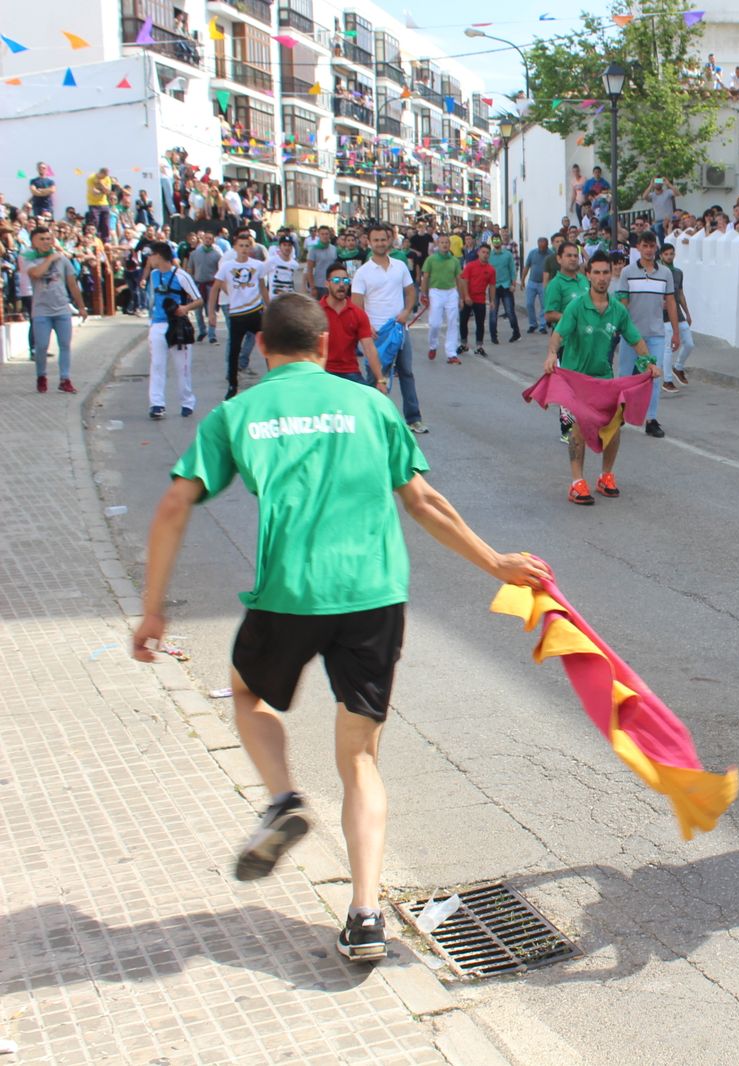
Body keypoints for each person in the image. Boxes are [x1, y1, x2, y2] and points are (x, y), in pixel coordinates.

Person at [132, 293, 549, 963]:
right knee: (360, 757)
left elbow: (175, 503)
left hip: (288, 595)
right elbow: (424, 502)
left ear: (261, 350)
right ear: (326, 346)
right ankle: (363, 915)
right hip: (371, 597)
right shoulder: (370, 406)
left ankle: (283, 799)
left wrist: (153, 608)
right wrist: (496, 563)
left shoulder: (237, 413)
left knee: (247, 692)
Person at [542, 256, 661, 504]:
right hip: (577, 379)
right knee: (578, 428)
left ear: (611, 275)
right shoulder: (577, 306)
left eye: (606, 272)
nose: (602, 277)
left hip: (604, 379)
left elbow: (635, 339)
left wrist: (648, 361)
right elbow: (558, 335)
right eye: (596, 272)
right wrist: (552, 354)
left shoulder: (617, 309)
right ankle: (577, 482)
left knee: (613, 427)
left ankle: (606, 476)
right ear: (588, 275)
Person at [351, 223, 426, 434]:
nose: (380, 243)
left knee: (406, 372)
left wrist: (406, 312)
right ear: (368, 242)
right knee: (374, 376)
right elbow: (356, 305)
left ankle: (414, 418)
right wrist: (366, 327)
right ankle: (370, 419)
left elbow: (411, 293)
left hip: (400, 330)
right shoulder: (363, 273)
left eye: (383, 239)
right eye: (375, 240)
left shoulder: (400, 266)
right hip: (375, 333)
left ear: (390, 240)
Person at [615, 232, 679, 439]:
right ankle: (619, 413)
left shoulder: (665, 273)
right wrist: (621, 329)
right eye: (645, 246)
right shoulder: (627, 272)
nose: (649, 250)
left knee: (654, 377)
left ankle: (651, 419)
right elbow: (623, 304)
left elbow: (670, 302)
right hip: (631, 335)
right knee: (625, 376)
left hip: (656, 334)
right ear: (639, 247)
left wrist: (676, 332)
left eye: (652, 246)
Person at [23, 226, 89, 395]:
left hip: (62, 309)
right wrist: (50, 259)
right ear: (33, 242)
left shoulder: (63, 260)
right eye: (41, 239)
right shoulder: (28, 258)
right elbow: (36, 274)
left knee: (65, 345)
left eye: (48, 239)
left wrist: (81, 306)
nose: (46, 242)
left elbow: (72, 284)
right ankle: (41, 376)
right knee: (42, 346)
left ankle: (65, 379)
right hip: (41, 310)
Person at [142, 244, 202, 418]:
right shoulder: (154, 276)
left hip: (177, 325)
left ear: (160, 256)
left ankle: (187, 401)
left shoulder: (181, 276)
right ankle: (157, 404)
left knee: (182, 366)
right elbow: (152, 298)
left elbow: (199, 300)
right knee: (157, 365)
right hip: (157, 323)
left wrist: (185, 308)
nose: (149, 260)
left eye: (151, 255)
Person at [207, 229, 268, 399]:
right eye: (241, 246)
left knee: (268, 346)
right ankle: (233, 385)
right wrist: (211, 313)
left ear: (251, 248)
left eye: (247, 246)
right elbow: (215, 289)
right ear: (235, 247)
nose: (244, 249)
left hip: (255, 311)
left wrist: (270, 308)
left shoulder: (257, 265)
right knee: (234, 350)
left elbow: (263, 288)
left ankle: (273, 379)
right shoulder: (227, 266)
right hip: (237, 313)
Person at [320, 262, 384, 389]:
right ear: (327, 284)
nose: (342, 284)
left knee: (368, 400)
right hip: (323, 371)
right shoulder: (316, 311)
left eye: (346, 280)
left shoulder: (357, 313)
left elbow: (369, 348)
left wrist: (381, 380)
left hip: (349, 372)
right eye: (336, 280)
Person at [420, 237, 464, 362]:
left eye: (447, 243)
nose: (445, 245)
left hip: (451, 292)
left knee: (453, 322)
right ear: (438, 245)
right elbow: (425, 278)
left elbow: (458, 279)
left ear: (450, 245)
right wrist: (424, 294)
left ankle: (451, 353)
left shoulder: (454, 260)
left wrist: (460, 297)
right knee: (435, 323)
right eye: (442, 243)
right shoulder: (431, 259)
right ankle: (433, 345)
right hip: (436, 291)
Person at [659, 241, 694, 388]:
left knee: (689, 344)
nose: (669, 256)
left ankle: (678, 367)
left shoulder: (678, 273)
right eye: (666, 254)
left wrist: (687, 312)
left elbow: (680, 293)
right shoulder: (657, 272)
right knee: (668, 347)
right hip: (663, 315)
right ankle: (667, 380)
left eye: (671, 254)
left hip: (678, 313)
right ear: (661, 255)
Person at [459, 244, 496, 358]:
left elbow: (492, 285)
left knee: (480, 323)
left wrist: (492, 300)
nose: (485, 255)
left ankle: (479, 346)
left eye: (487, 253)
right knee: (463, 321)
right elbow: (464, 281)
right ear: (478, 253)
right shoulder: (470, 266)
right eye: (483, 252)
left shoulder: (490, 269)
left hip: (480, 299)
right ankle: (463, 344)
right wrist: (465, 297)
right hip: (468, 297)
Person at [521, 236, 550, 333]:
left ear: (547, 245)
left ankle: (542, 325)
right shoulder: (532, 253)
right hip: (532, 282)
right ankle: (533, 324)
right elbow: (527, 266)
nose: (541, 248)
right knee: (529, 304)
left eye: (543, 246)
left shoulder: (550, 254)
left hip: (544, 283)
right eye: (540, 245)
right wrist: (522, 280)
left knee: (544, 305)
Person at [303, 225, 338, 299]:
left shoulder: (334, 249)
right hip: (319, 285)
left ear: (330, 235)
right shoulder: (314, 250)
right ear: (318, 235)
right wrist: (312, 287)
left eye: (327, 234)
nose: (325, 236)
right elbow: (309, 270)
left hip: (332, 284)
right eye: (322, 234)